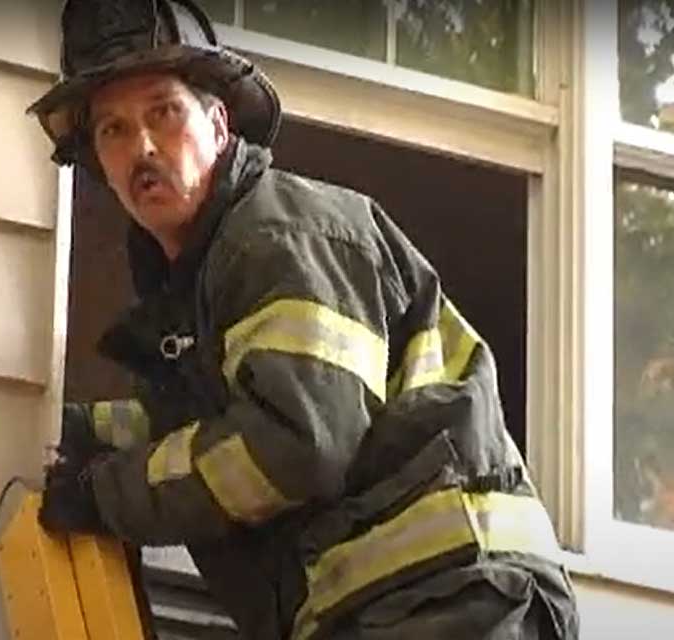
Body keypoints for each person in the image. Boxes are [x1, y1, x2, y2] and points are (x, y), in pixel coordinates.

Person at [32, 1, 579, 638]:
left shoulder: (277, 236)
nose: (143, 147)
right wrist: (65, 430)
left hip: (450, 602)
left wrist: (109, 494)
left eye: (164, 112)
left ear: (219, 124)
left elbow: (298, 443)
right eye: (113, 131)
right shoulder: (205, 284)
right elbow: (198, 428)